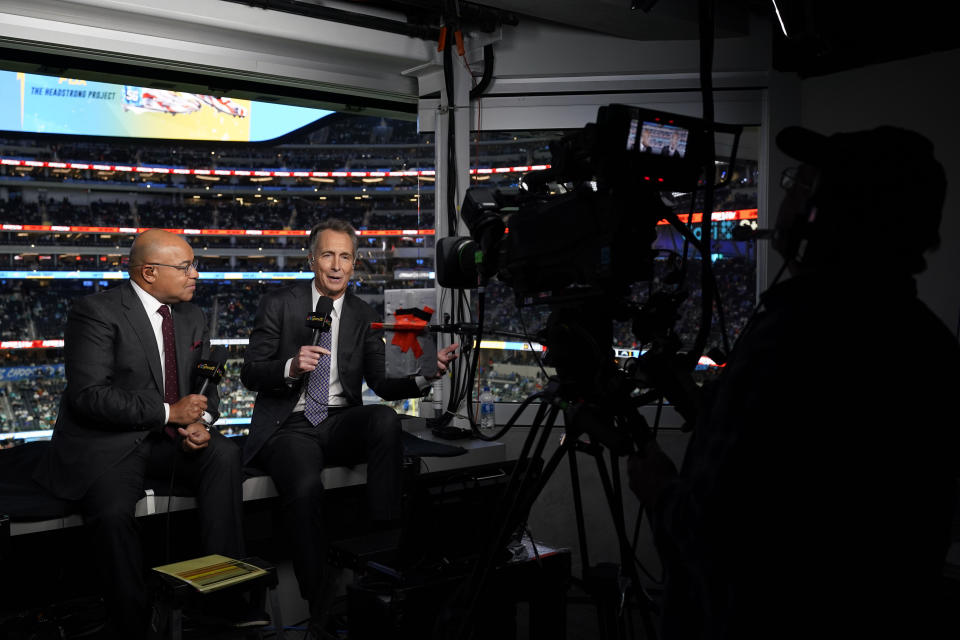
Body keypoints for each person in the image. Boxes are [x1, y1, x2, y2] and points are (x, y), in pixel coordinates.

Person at [629, 126, 960, 639]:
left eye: (801, 183)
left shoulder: (795, 334)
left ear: (827, 211)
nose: (788, 195)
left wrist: (659, 490)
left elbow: (721, 535)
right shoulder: (931, 343)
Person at [240, 218, 459, 626]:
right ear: (312, 259)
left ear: (354, 264)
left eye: (345, 256)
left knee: (383, 420)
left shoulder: (362, 313)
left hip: (339, 419)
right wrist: (289, 366)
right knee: (304, 486)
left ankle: (384, 548)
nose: (337, 265)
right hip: (290, 424)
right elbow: (250, 372)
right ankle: (319, 600)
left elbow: (380, 381)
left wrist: (424, 374)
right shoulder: (280, 303)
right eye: (328, 255)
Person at [32, 229, 247, 638]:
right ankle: (133, 622)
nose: (195, 274)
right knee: (112, 512)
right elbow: (89, 396)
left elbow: (206, 385)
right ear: (149, 272)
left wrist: (203, 422)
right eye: (185, 267)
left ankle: (222, 601)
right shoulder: (95, 311)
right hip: (110, 442)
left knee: (224, 455)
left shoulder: (194, 315)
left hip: (167, 440)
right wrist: (170, 411)